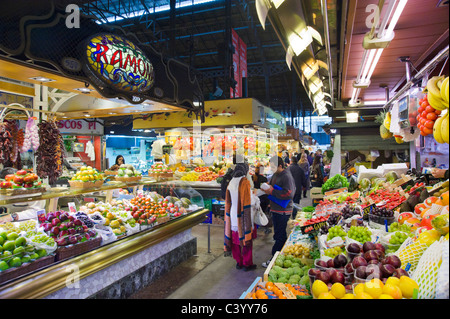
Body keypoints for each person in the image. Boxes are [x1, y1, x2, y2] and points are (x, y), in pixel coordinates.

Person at [262, 156, 296, 268]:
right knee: (279, 233)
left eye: (273, 166)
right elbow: (273, 187)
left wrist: (272, 191)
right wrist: (268, 188)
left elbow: (289, 194)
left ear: (280, 166)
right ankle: (282, 255)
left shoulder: (287, 176)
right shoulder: (276, 174)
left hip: (283, 210)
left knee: (279, 235)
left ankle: (274, 259)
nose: (271, 169)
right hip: (276, 208)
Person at [224, 162, 257, 271]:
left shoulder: (231, 182)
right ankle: (247, 264)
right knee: (247, 240)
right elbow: (249, 201)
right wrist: (256, 196)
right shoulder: (245, 182)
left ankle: (239, 262)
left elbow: (228, 201)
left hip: (233, 215)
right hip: (244, 215)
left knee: (235, 240)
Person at [252, 165, 271, 233]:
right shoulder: (264, 179)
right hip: (263, 199)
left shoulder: (252, 177)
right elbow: (266, 190)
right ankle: (265, 227)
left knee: (255, 213)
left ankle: (256, 226)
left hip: (255, 198)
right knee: (263, 213)